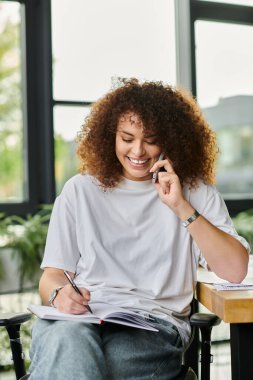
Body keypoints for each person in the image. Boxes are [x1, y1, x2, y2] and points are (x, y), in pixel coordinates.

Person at [28, 79, 250, 380]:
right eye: (127, 138)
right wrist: (58, 295)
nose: (138, 150)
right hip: (83, 318)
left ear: (170, 140)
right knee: (67, 340)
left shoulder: (194, 192)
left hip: (153, 326)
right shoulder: (79, 191)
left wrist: (180, 206)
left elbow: (235, 269)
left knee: (94, 361)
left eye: (151, 139)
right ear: (111, 137)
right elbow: (51, 276)